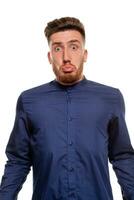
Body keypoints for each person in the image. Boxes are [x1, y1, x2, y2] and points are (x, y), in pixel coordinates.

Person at [0, 17, 134, 200]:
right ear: (49, 56)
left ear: (84, 54)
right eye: (57, 48)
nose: (66, 57)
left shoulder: (110, 98)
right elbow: (18, 160)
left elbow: (122, 156)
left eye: (73, 47)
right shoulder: (29, 100)